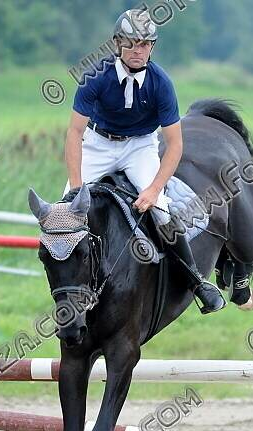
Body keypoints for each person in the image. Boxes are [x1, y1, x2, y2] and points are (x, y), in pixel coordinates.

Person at [62, 8, 226, 314]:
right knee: (65, 212)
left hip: (140, 147)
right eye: (132, 42)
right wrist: (75, 186)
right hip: (97, 144)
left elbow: (175, 145)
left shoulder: (161, 82)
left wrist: (153, 190)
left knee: (162, 210)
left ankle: (195, 281)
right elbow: (74, 132)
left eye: (146, 44)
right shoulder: (95, 76)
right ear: (117, 43)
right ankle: (65, 285)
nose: (139, 50)